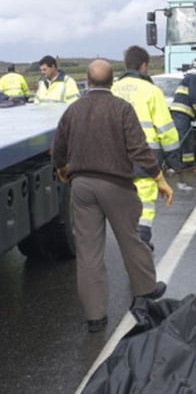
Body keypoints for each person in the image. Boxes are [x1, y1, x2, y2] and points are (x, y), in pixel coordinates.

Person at [52, 59, 173, 333]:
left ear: (86, 80)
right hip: (116, 185)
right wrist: (159, 177)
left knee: (88, 252)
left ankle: (95, 317)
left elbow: (58, 148)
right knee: (131, 239)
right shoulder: (121, 109)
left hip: (82, 186)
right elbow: (139, 149)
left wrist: (62, 169)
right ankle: (145, 289)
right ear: (112, 82)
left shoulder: (73, 110)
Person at [112, 45, 180, 248]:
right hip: (144, 155)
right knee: (145, 201)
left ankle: (126, 239)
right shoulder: (152, 91)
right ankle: (141, 241)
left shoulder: (112, 89)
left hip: (115, 156)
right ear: (144, 66)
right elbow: (166, 129)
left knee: (120, 197)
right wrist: (174, 160)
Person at [170, 58, 196, 167]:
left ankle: (187, 162)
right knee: (183, 138)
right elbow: (194, 96)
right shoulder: (193, 78)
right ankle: (177, 163)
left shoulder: (188, 78)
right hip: (182, 112)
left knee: (186, 138)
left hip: (181, 112)